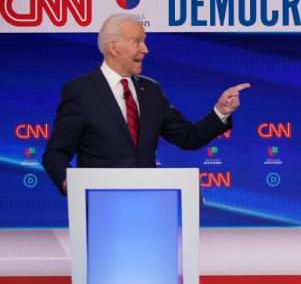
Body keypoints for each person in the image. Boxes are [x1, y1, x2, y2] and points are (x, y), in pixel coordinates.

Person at [43, 14, 250, 194]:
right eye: (137, 42)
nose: (146, 49)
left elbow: (189, 137)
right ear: (114, 47)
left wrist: (220, 112)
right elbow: (55, 153)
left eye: (144, 41)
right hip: (101, 207)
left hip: (149, 204)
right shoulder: (80, 91)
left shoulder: (151, 91)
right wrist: (68, 182)